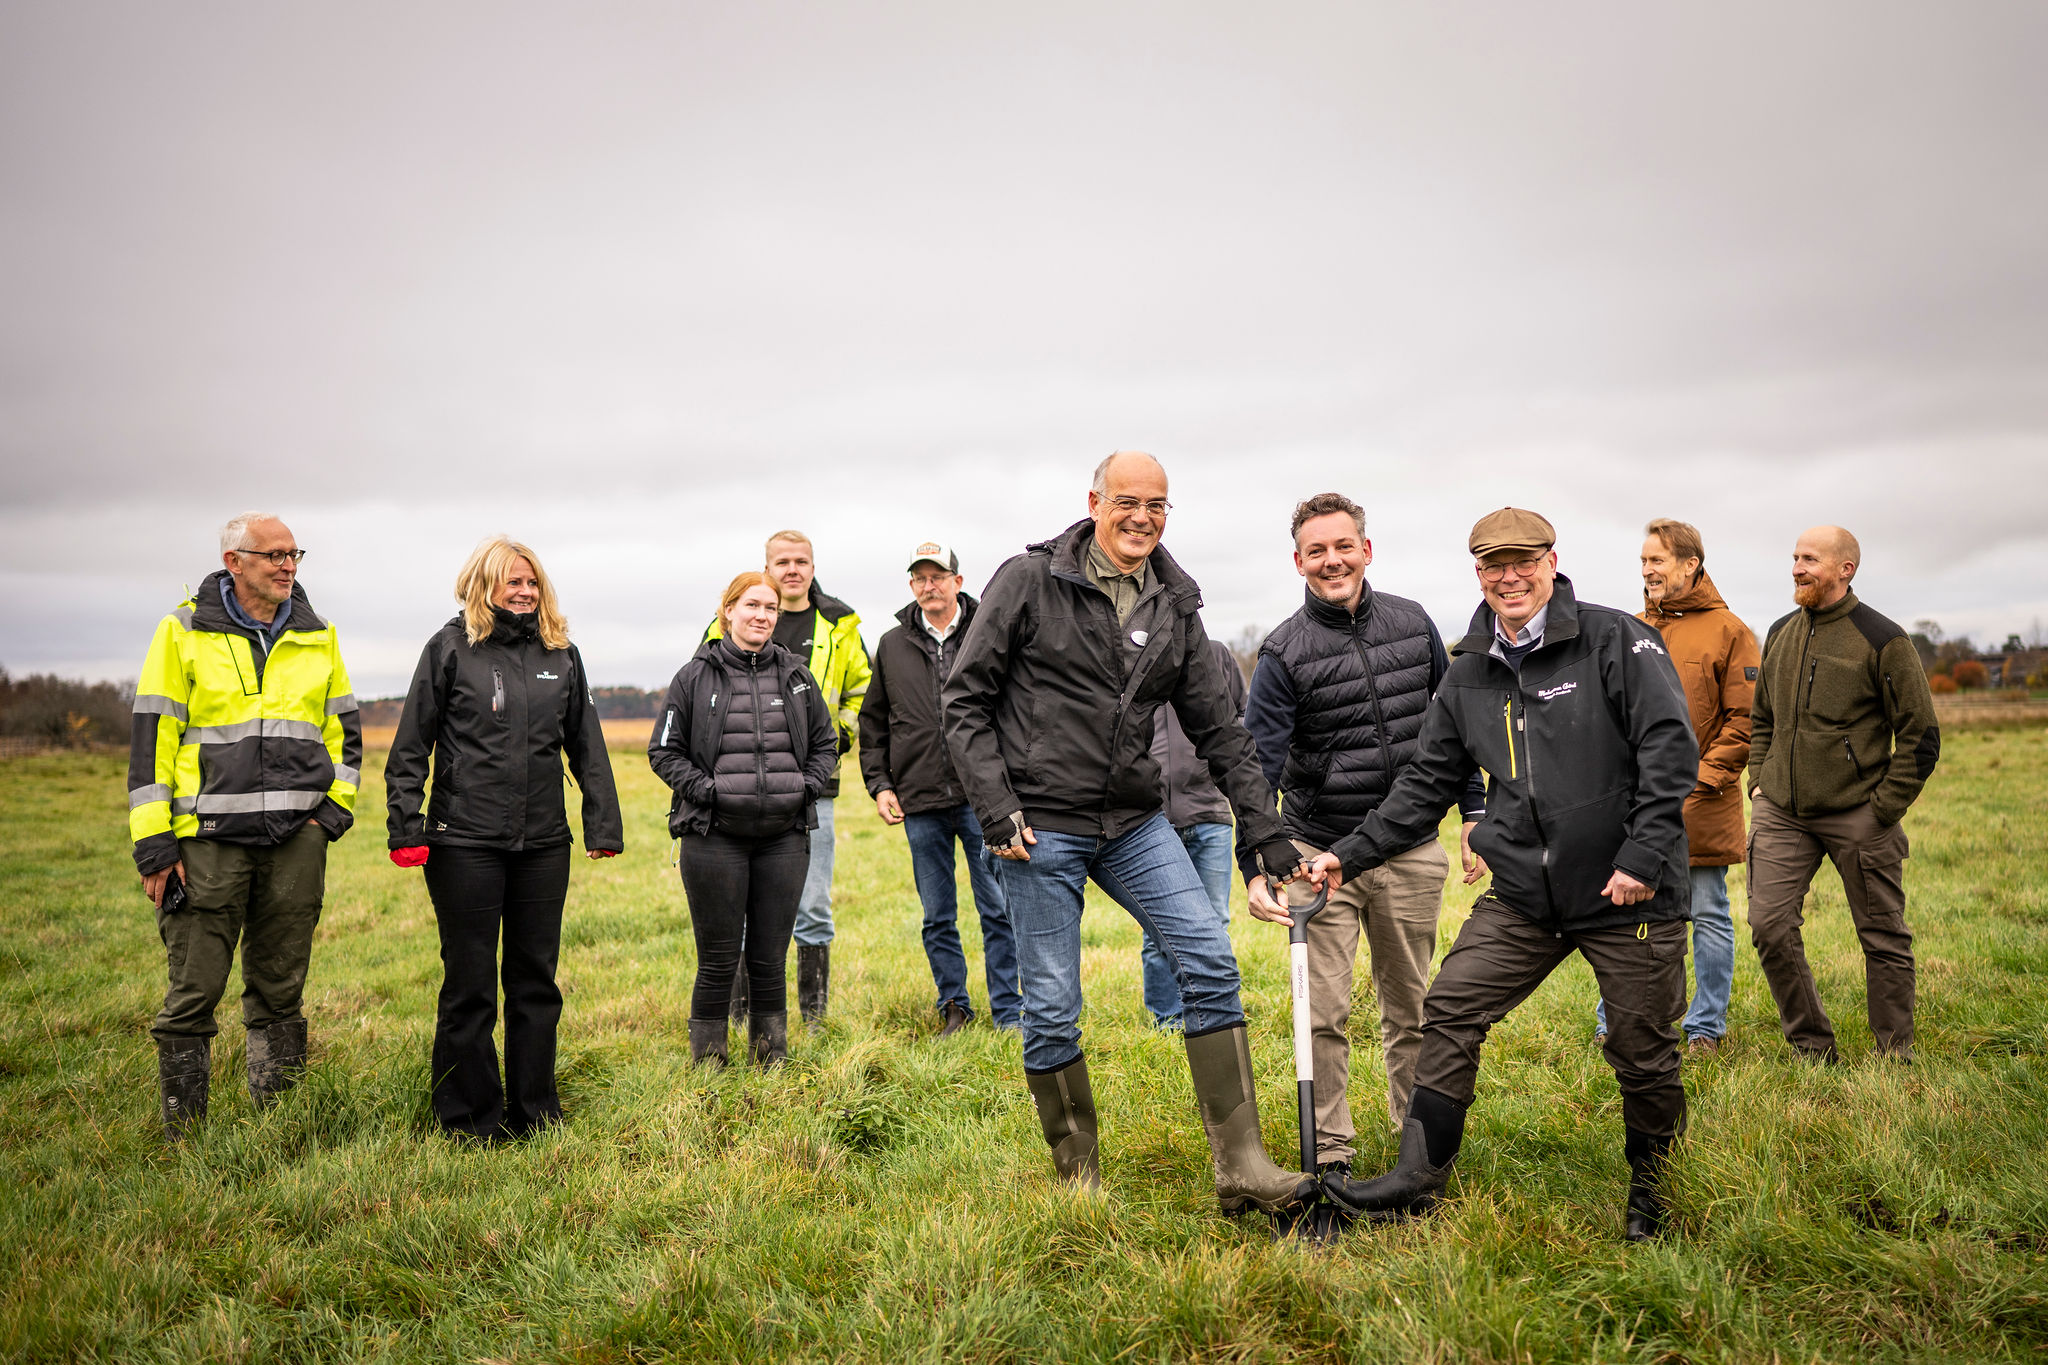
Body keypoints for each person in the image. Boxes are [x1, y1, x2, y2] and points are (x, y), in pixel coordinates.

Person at [1299, 508, 1699, 1241]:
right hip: (1523, 894)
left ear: (1552, 561)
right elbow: (1426, 782)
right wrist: (1345, 853)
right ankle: (1419, 1179)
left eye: (1523, 561)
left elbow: (1671, 751)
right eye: (1492, 564)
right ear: (1477, 571)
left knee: (1641, 1045)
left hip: (1626, 888)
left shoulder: (1617, 639)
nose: (1508, 577)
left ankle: (1655, 1190)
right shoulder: (1470, 669)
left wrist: (1642, 856)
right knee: (1448, 1009)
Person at [942, 450, 1316, 1215]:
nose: (1142, 516)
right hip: (1037, 827)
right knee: (1050, 1003)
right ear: (1094, 501)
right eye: (1128, 501)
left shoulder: (1174, 603)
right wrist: (995, 805)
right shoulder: (1028, 580)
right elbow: (965, 701)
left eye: (1158, 504)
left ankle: (1242, 1166)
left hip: (1135, 821)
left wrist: (1268, 834)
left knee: (1209, 959)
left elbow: (1221, 730)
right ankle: (1077, 1179)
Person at [1241, 492, 1485, 1179]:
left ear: (1366, 550)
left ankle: (1417, 1150)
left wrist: (1475, 810)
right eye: (1316, 550)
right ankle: (1335, 1157)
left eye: (1343, 545)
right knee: (1322, 1013)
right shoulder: (1284, 651)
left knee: (1412, 1008)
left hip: (1409, 850)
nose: (1332, 560)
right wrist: (1256, 860)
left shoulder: (1413, 625)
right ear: (1298, 562)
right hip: (1320, 857)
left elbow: (1456, 730)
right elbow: (1255, 767)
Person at [128, 512, 361, 1138]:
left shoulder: (320, 635)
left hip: (295, 842)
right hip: (205, 845)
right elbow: (153, 741)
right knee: (193, 991)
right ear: (235, 562)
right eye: (274, 555)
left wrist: (329, 817)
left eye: (295, 555)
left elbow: (344, 734)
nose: (288, 566)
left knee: (281, 988)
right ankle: (186, 1138)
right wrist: (155, 847)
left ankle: (278, 1128)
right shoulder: (181, 633)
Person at [384, 536, 624, 1143]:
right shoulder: (450, 649)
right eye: (511, 581)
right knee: (469, 984)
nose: (523, 591)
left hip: (543, 844)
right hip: (464, 841)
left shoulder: (561, 655)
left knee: (535, 981)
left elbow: (586, 745)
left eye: (532, 582)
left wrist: (603, 824)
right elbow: (411, 746)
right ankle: (468, 1120)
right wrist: (405, 826)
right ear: (482, 584)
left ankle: (535, 1113)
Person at [1745, 526, 1939, 1064]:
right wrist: (1758, 780)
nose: (1797, 568)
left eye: (1809, 559)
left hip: (1859, 813)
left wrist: (1882, 808)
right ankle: (1811, 1045)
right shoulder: (1782, 630)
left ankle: (1894, 1053)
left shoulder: (1883, 639)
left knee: (1882, 935)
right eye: (1794, 557)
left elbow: (1922, 735)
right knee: (1769, 925)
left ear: (1844, 569)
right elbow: (1763, 718)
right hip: (1781, 811)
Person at [655, 572, 838, 1067]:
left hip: (784, 838)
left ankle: (770, 1059)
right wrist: (708, 792)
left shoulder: (797, 677)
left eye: (771, 608)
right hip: (713, 838)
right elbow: (664, 752)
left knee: (768, 960)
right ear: (728, 611)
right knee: (717, 960)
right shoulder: (693, 677)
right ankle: (709, 1063)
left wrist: (806, 787)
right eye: (752, 605)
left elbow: (827, 743)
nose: (762, 616)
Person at [1591, 519, 1756, 1053]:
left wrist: (1697, 781)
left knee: (1706, 911)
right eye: (1643, 561)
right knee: (1625, 910)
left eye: (1657, 560)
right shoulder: (1631, 628)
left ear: (1691, 564)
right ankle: (1615, 1022)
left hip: (1702, 805)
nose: (1647, 570)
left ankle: (1705, 1027)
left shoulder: (1731, 631)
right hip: (1632, 805)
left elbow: (1744, 722)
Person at [705, 530, 870, 1025]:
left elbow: (863, 689)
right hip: (739, 789)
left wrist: (834, 741)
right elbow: (701, 692)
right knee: (739, 905)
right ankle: (737, 1012)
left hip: (811, 788)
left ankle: (813, 1018)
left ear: (813, 567)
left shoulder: (840, 623)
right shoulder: (737, 619)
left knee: (813, 903)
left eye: (802, 561)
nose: (792, 569)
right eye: (782, 561)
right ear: (767, 566)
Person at [859, 540, 1021, 1036]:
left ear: (958, 581)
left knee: (997, 907)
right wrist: (880, 784)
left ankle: (1010, 1010)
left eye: (937, 576)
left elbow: (1013, 709)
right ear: (912, 586)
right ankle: (954, 1006)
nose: (929, 586)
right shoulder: (891, 644)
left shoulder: (988, 630)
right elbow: (875, 722)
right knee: (937, 914)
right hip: (921, 800)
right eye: (919, 578)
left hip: (983, 799)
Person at [1139, 637, 1247, 1030]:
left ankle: (1215, 1017)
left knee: (1214, 921)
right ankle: (1166, 1020)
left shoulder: (1216, 655)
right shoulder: (1132, 656)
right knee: (1157, 929)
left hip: (1210, 811)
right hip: (1150, 820)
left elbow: (1240, 721)